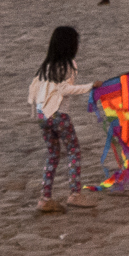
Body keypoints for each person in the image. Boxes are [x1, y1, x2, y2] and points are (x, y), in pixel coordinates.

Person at [28, 26, 98, 214]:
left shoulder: (46, 66)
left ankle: (45, 198)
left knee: (53, 155)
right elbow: (64, 89)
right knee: (74, 151)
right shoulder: (69, 65)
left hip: (43, 115)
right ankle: (75, 194)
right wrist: (90, 86)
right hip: (59, 115)